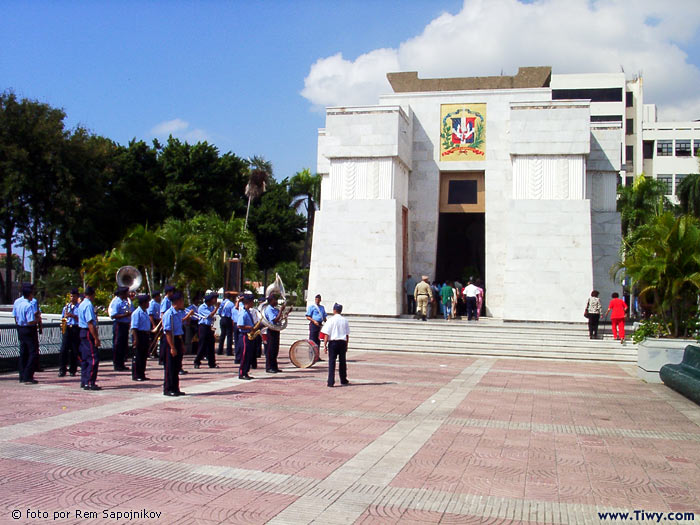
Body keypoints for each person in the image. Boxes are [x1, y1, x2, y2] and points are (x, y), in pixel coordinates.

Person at [162, 291, 194, 396]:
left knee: (177, 366)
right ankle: (168, 388)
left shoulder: (178, 313)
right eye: (181, 301)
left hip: (178, 339)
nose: (183, 302)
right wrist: (172, 347)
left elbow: (179, 329)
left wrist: (181, 344)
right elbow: (168, 332)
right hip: (171, 340)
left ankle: (175, 387)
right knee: (170, 366)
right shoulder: (169, 314)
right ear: (177, 301)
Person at [13, 283, 39, 384]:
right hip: (28, 329)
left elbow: (15, 316)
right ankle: (28, 375)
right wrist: (36, 319)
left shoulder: (18, 303)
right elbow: (30, 321)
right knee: (32, 353)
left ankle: (22, 375)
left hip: (20, 328)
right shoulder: (28, 305)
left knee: (23, 352)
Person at [77, 286, 102, 391]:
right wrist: (96, 338)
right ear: (92, 295)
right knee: (93, 358)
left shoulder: (82, 304)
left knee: (85, 358)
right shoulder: (88, 305)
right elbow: (90, 323)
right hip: (87, 332)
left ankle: (84, 381)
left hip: (82, 331)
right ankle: (90, 381)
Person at [321, 303, 350, 387]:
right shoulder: (345, 320)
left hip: (333, 342)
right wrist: (346, 345)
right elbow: (347, 334)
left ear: (334, 310)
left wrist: (325, 345)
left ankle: (330, 381)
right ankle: (343, 380)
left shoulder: (330, 320)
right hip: (342, 342)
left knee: (332, 362)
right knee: (342, 362)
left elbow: (326, 334)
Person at [58, 288, 81, 377]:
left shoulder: (79, 307)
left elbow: (81, 319)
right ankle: (62, 369)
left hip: (75, 328)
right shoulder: (66, 307)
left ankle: (73, 369)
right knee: (64, 349)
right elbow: (63, 318)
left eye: (74, 296)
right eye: (71, 296)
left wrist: (73, 315)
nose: (72, 298)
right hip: (67, 328)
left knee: (74, 350)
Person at [108, 286, 132, 371]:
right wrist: (125, 315)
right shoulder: (116, 302)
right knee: (117, 344)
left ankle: (122, 363)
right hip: (119, 324)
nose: (128, 294)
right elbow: (113, 315)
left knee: (123, 345)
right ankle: (117, 364)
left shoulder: (125, 302)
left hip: (125, 324)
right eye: (127, 293)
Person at [194, 292, 219, 368]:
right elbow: (209, 315)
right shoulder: (202, 307)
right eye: (214, 299)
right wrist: (216, 308)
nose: (215, 300)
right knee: (202, 345)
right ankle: (197, 361)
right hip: (203, 327)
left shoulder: (211, 307)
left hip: (208, 327)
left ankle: (212, 363)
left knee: (211, 345)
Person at [130, 294, 152, 381]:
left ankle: (142, 373)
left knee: (143, 356)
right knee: (138, 356)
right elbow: (134, 328)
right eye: (147, 302)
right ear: (143, 303)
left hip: (145, 334)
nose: (148, 304)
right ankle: (136, 374)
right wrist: (135, 339)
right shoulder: (137, 313)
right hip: (139, 334)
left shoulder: (145, 312)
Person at [237, 295, 258, 380]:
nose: (253, 303)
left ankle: (246, 371)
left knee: (249, 355)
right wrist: (249, 327)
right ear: (248, 302)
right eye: (252, 301)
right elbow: (239, 325)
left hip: (249, 335)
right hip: (244, 336)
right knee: (245, 355)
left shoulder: (248, 311)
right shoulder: (243, 313)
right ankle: (242, 373)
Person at [263, 295, 283, 373]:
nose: (277, 301)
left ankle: (274, 366)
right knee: (270, 350)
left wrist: (286, 313)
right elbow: (274, 320)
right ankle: (269, 367)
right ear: (271, 301)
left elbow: (280, 318)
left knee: (275, 349)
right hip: (271, 330)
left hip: (276, 329)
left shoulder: (274, 309)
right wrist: (281, 310)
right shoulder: (269, 309)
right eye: (275, 299)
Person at [306, 294, 327, 359]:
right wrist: (314, 321)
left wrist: (327, 322)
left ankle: (317, 356)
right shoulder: (312, 307)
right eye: (316, 299)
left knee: (318, 341)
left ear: (320, 300)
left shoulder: (322, 307)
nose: (317, 301)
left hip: (319, 325)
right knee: (312, 340)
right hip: (314, 324)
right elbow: (308, 316)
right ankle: (311, 356)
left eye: (318, 299)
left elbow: (324, 316)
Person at [158, 285, 175, 365]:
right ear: (168, 292)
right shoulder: (165, 301)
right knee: (164, 342)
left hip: (169, 322)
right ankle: (162, 358)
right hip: (166, 322)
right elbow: (163, 313)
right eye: (172, 292)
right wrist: (163, 324)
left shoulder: (169, 300)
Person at [217, 292, 235, 356]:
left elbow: (218, 312)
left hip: (222, 318)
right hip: (228, 319)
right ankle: (229, 351)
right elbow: (233, 313)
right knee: (229, 336)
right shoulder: (231, 304)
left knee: (222, 335)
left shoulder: (222, 303)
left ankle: (219, 350)